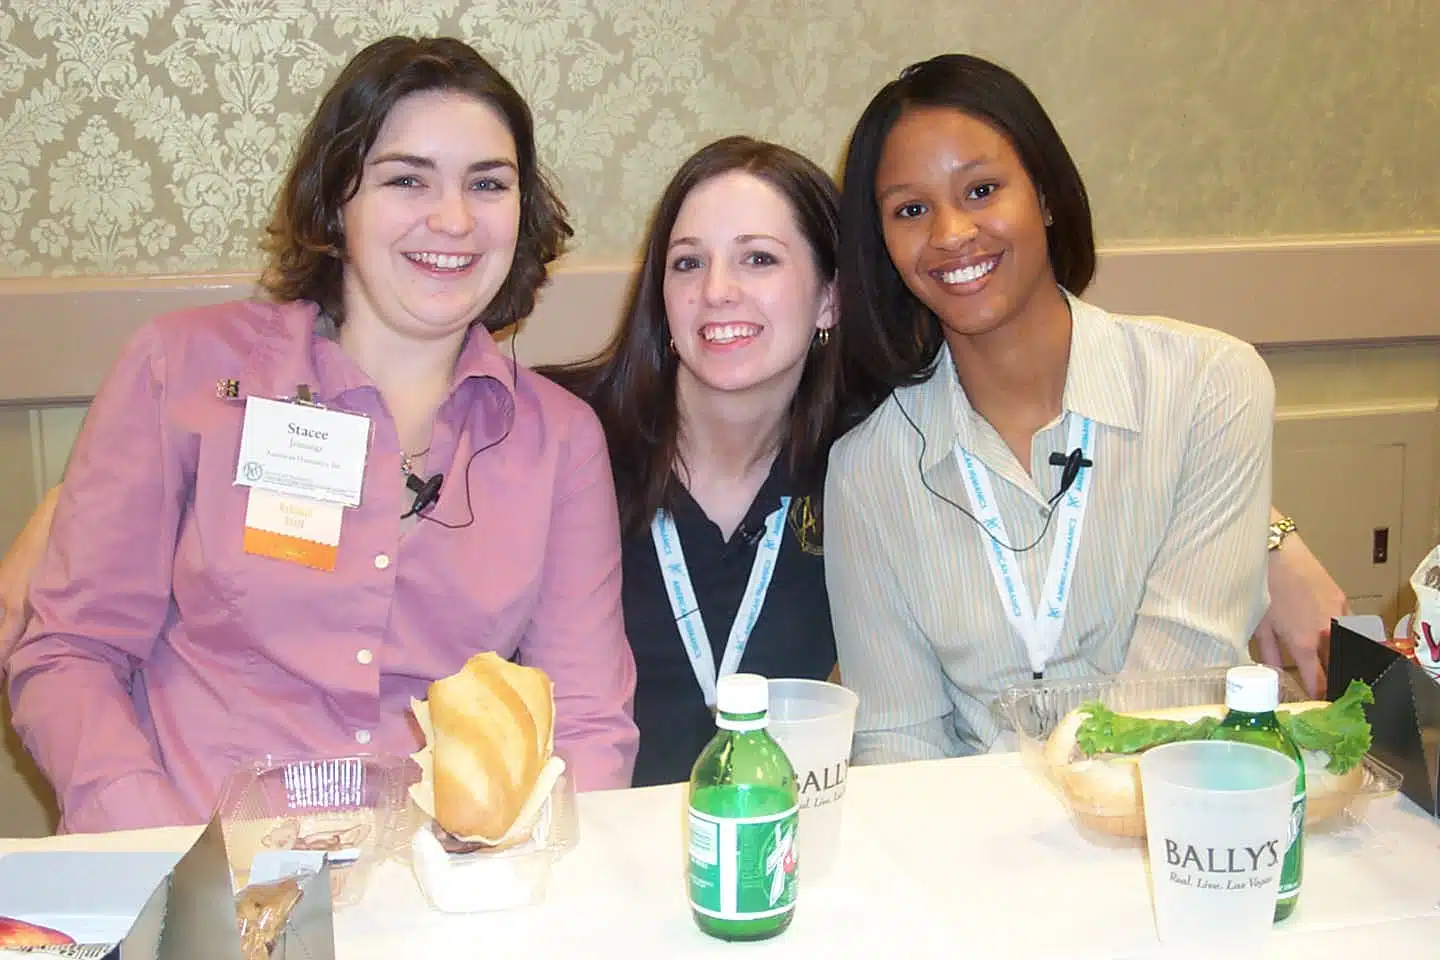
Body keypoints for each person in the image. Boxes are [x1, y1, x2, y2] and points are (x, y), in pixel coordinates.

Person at [3, 36, 638, 834]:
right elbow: (70, 654)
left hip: (435, 898)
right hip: (193, 874)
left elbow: (584, 723)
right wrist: (166, 848)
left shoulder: (559, 441)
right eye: (407, 179)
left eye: (488, 184)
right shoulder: (189, 371)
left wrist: (513, 884)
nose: (453, 218)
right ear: (336, 204)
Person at [826, 53, 1283, 762]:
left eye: (981, 190)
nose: (950, 234)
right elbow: (897, 742)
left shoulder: (1210, 389)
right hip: (972, 854)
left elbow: (1182, 687)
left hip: (1164, 829)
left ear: (1044, 194)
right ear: (883, 244)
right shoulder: (869, 468)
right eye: (911, 210)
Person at [543, 136, 870, 787]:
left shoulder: (865, 465)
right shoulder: (561, 438)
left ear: (830, 298)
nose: (717, 291)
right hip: (582, 843)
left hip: (769, 847)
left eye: (757, 259)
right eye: (688, 264)